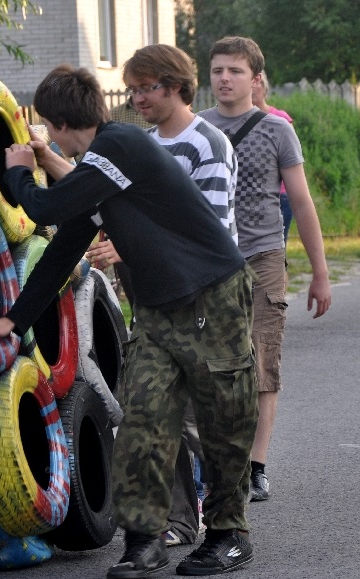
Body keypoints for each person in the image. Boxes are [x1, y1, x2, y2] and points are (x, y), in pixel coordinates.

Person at [0, 64, 258, 579]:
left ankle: (230, 534)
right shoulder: (98, 169)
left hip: (210, 298)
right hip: (156, 308)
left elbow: (44, 203)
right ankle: (144, 540)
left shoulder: (121, 146)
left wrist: (20, 168)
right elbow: (62, 251)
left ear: (59, 124)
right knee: (142, 420)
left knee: (223, 419)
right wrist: (15, 321)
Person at [91, 43, 239, 548]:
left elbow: (209, 231)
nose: (135, 99)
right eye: (130, 90)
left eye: (145, 88)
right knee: (153, 408)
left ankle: (227, 515)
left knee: (204, 418)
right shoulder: (141, 145)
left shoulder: (208, 143)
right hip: (150, 294)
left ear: (175, 86)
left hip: (204, 297)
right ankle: (178, 520)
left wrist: (128, 244)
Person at [197, 36, 332, 502]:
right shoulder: (198, 129)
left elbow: (301, 200)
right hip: (210, 262)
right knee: (209, 365)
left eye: (234, 71)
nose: (224, 79)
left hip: (263, 258)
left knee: (261, 364)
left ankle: (256, 466)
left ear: (255, 79)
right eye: (217, 71)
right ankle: (210, 462)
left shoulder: (277, 130)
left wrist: (320, 272)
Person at [252, 72, 295, 242]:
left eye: (258, 83)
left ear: (265, 89)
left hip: (280, 195)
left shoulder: (280, 118)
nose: (254, 88)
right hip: (251, 196)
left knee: (277, 249)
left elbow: (291, 157)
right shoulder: (236, 121)